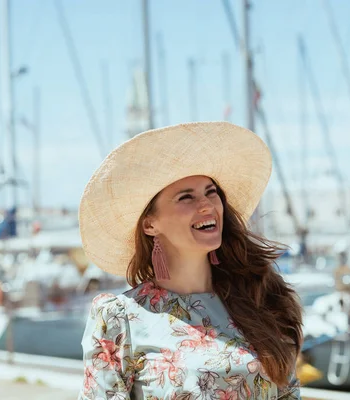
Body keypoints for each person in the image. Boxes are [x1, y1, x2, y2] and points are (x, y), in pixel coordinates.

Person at [78, 121, 304, 400]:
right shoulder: (119, 317)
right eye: (186, 197)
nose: (207, 204)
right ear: (150, 224)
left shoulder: (257, 297)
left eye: (211, 192)